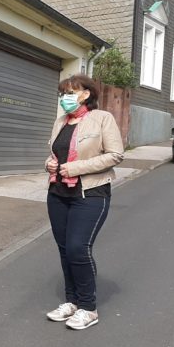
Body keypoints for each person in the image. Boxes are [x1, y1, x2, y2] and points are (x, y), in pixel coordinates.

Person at [44, 74, 124, 330]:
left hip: (90, 194)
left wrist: (76, 168)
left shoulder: (103, 119)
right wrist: (49, 163)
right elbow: (56, 152)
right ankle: (72, 301)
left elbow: (115, 155)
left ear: (86, 94)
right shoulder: (61, 121)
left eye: (70, 92)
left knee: (78, 248)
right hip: (58, 193)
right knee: (65, 249)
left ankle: (88, 307)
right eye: (63, 93)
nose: (65, 98)